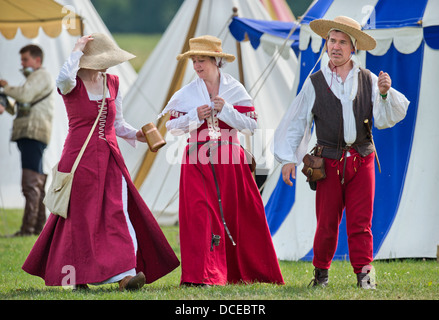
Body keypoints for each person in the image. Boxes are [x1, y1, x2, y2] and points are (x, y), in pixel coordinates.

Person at [22, 33, 179, 291]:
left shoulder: (113, 83)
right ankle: (75, 278)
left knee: (118, 211)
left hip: (110, 158)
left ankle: (126, 275)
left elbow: (117, 125)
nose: (106, 66)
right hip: (78, 158)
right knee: (79, 219)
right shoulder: (71, 84)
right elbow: (62, 78)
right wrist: (77, 49)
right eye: (100, 60)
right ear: (85, 61)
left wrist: (137, 135)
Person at [273, 16, 410, 289]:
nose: (335, 47)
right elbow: (296, 122)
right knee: (326, 224)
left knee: (361, 222)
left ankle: (365, 275)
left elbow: (384, 120)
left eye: (342, 42)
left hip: (362, 159)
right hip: (328, 162)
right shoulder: (315, 82)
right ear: (326, 45)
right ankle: (321, 275)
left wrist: (383, 94)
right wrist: (288, 159)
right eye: (331, 41)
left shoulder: (369, 80)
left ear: (353, 48)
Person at [160, 35, 284, 286]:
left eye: (202, 60)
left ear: (216, 61)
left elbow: (251, 126)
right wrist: (194, 116)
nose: (197, 65)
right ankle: (202, 275)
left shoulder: (234, 89)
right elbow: (172, 128)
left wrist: (226, 109)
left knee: (236, 215)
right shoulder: (186, 94)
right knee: (199, 215)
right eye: (194, 61)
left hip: (231, 160)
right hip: (197, 158)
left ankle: (242, 272)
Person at [0, 44, 54, 236]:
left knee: (30, 183)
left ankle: (28, 229)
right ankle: (38, 227)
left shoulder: (40, 76)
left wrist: (5, 87)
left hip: (33, 133)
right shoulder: (34, 78)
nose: (22, 64)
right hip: (32, 134)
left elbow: (25, 95)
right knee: (37, 180)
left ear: (37, 60)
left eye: (25, 59)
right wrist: (5, 104)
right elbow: (22, 105)